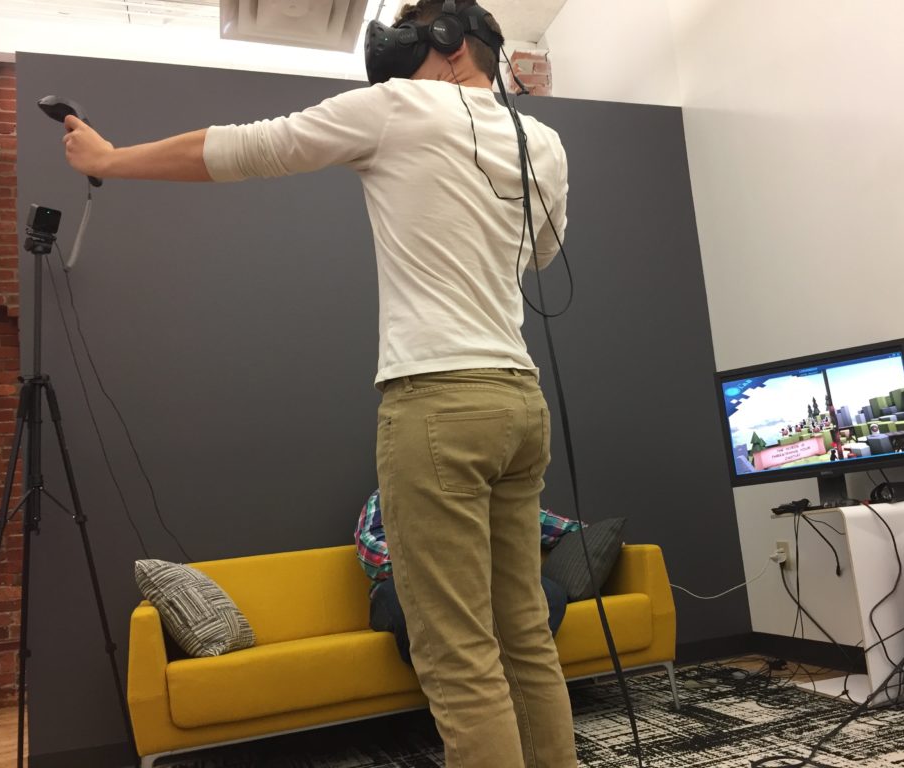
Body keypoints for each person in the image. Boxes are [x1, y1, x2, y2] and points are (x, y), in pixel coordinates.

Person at [61, 2, 574, 766]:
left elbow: (240, 149)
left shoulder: (395, 108)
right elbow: (539, 256)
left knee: (456, 652)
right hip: (518, 403)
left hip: (436, 403)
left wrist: (109, 159)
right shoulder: (544, 141)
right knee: (524, 633)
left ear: (446, 40)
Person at [355, 489, 578, 665]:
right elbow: (370, 551)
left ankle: (508, 672)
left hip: (477, 588)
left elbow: (552, 526)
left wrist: (590, 538)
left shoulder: (482, 496)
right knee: (406, 602)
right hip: (409, 586)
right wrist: (439, 566)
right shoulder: (390, 495)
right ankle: (450, 687)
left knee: (550, 594)